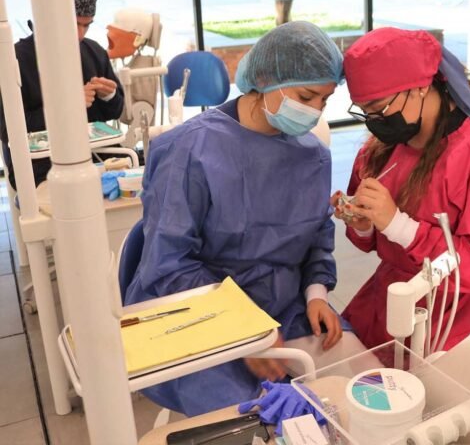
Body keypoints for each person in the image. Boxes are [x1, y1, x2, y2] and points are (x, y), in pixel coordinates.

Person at [124, 21, 351, 416]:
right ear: (264, 78)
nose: (314, 112)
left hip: (287, 309)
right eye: (305, 95)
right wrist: (244, 331)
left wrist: (317, 293)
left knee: (354, 396)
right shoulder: (189, 150)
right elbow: (168, 264)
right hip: (198, 316)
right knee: (258, 422)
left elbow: (317, 233)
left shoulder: (313, 155)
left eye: (325, 100)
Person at [333, 28, 470, 350]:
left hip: (459, 313)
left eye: (379, 107)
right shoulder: (381, 149)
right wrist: (365, 224)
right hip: (393, 296)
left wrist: (397, 224)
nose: (373, 121)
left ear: (421, 86)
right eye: (363, 110)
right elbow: (374, 245)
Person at [0, 0, 124, 189]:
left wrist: (109, 96)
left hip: (97, 154)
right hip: (39, 165)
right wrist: (67, 107)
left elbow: (115, 111)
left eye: (87, 25)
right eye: (74, 23)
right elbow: (7, 129)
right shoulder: (14, 60)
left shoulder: (93, 52)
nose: (79, 34)